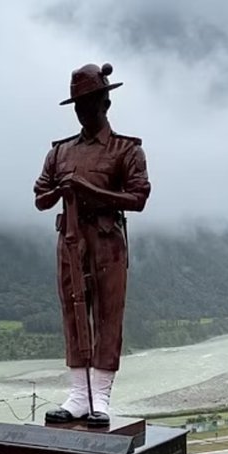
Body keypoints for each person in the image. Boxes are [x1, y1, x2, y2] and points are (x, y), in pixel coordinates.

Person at [33, 63, 151, 427]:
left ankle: (101, 396)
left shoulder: (125, 149)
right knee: (72, 312)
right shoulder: (60, 152)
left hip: (107, 242)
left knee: (107, 314)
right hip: (69, 239)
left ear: (105, 102)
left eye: (90, 102)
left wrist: (88, 191)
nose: (83, 110)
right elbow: (40, 195)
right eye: (78, 104)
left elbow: (138, 198)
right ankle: (78, 396)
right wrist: (61, 191)